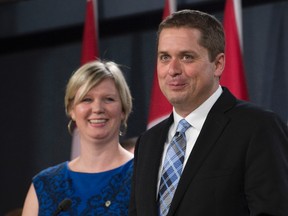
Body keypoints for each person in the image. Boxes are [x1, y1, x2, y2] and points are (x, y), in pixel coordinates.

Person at [129, 9, 288, 216]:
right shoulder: (147, 142)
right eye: (165, 57)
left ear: (218, 64)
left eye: (186, 57)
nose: (173, 69)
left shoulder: (258, 127)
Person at [22, 59, 134, 215]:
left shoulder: (145, 176)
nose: (97, 108)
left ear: (123, 109)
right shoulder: (45, 185)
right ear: (71, 110)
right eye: (86, 99)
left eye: (108, 99)